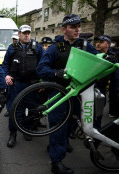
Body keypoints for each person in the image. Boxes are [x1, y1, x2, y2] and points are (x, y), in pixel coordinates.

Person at [36, 14, 99, 174]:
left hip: (78, 93)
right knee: (58, 126)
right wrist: (56, 73)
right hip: (59, 94)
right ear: (64, 29)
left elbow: (98, 60)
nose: (78, 29)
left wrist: (109, 56)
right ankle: (56, 163)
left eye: (79, 26)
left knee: (72, 122)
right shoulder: (54, 47)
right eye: (73, 27)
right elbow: (41, 69)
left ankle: (59, 143)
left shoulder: (85, 45)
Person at [2, 25, 44, 147]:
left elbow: (43, 65)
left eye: (28, 33)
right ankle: (13, 134)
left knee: (31, 109)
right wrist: (6, 76)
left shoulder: (37, 47)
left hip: (32, 84)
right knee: (14, 110)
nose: (26, 35)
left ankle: (28, 129)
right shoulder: (12, 48)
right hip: (16, 84)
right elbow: (5, 65)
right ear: (19, 34)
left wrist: (42, 81)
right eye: (24, 33)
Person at [95, 35, 119, 118]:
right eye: (97, 42)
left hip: (101, 89)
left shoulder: (112, 57)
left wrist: (116, 92)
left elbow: (115, 76)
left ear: (108, 45)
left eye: (101, 42)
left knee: (98, 113)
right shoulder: (92, 54)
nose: (97, 44)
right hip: (88, 87)